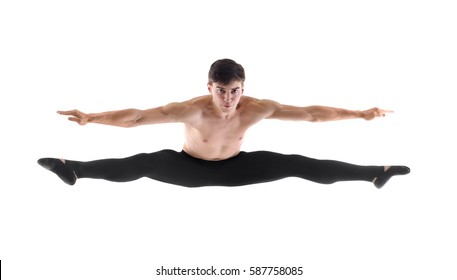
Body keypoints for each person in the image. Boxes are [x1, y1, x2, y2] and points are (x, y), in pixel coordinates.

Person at [38, 59, 410, 188]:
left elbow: (312, 114)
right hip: (187, 167)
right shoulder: (190, 109)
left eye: (234, 91)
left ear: (243, 88)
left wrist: (360, 113)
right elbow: (135, 118)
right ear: (209, 87)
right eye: (221, 90)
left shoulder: (258, 107)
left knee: (296, 163)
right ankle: (72, 169)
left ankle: (375, 173)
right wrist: (91, 118)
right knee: (145, 161)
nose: (228, 99)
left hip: (236, 167)